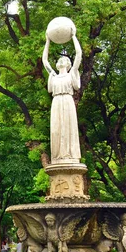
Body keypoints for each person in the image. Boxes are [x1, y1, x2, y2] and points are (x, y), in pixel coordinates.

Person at [42, 29, 82, 164]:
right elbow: (45, 61)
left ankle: (70, 154)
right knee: (56, 130)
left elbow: (78, 55)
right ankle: (58, 156)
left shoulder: (72, 73)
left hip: (67, 101)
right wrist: (47, 40)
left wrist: (74, 37)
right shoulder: (53, 75)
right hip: (57, 102)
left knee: (68, 127)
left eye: (63, 59)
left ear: (68, 64)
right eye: (60, 59)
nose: (61, 60)